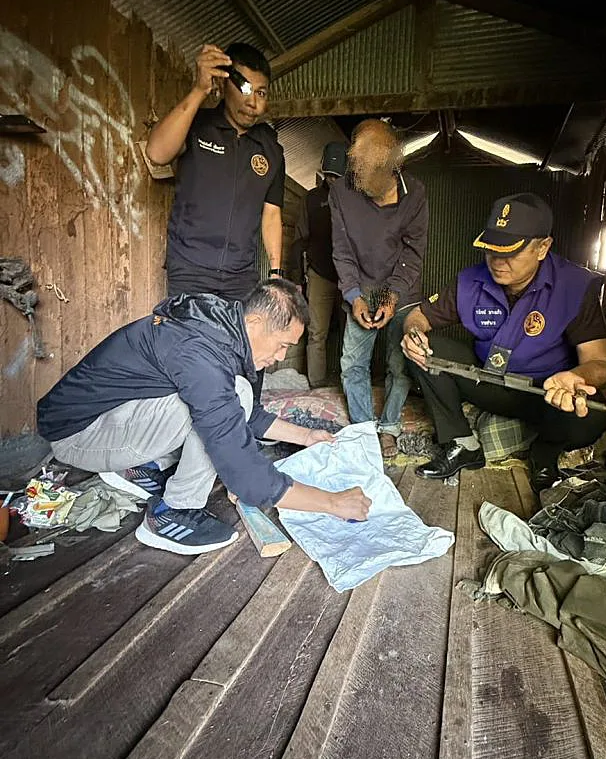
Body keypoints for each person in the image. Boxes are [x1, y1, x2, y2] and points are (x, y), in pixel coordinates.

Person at [37, 280, 371, 555]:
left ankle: (137, 467)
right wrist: (332, 503)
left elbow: (244, 413)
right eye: (283, 345)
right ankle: (172, 514)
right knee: (212, 406)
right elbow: (242, 468)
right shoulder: (199, 353)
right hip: (79, 436)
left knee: (232, 395)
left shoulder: (219, 328)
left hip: (111, 418)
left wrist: (306, 436)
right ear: (255, 323)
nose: (281, 357)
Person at [401, 192, 606, 491]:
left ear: (543, 248)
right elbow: (419, 316)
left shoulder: (573, 286)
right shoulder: (471, 280)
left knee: (591, 417)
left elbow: (601, 362)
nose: (498, 262)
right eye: (491, 250)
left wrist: (575, 377)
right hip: (490, 382)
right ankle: (462, 443)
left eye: (511, 252)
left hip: (546, 393)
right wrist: (414, 334)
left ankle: (545, 451)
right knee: (426, 350)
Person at [146, 42, 286, 301]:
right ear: (224, 84)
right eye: (245, 88)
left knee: (240, 330)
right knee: (190, 329)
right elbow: (157, 153)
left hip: (241, 277)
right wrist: (199, 89)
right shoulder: (197, 124)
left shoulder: (271, 149)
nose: (253, 102)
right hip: (190, 269)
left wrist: (276, 273)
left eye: (261, 92)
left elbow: (271, 213)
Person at [329, 119, 429, 459]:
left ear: (392, 165)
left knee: (400, 363)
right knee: (352, 364)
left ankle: (389, 426)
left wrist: (392, 295)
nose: (358, 176)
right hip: (360, 285)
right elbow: (341, 249)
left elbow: (413, 252)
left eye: (368, 172)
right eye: (356, 169)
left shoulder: (415, 194)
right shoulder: (341, 191)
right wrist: (354, 296)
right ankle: (363, 429)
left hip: (402, 289)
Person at [288, 141, 347, 387]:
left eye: (337, 176)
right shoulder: (311, 199)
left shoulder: (356, 199)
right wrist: (296, 277)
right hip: (320, 274)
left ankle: (349, 383)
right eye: (329, 175)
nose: (332, 180)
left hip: (349, 277)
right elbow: (299, 239)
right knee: (316, 332)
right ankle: (317, 384)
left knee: (352, 333)